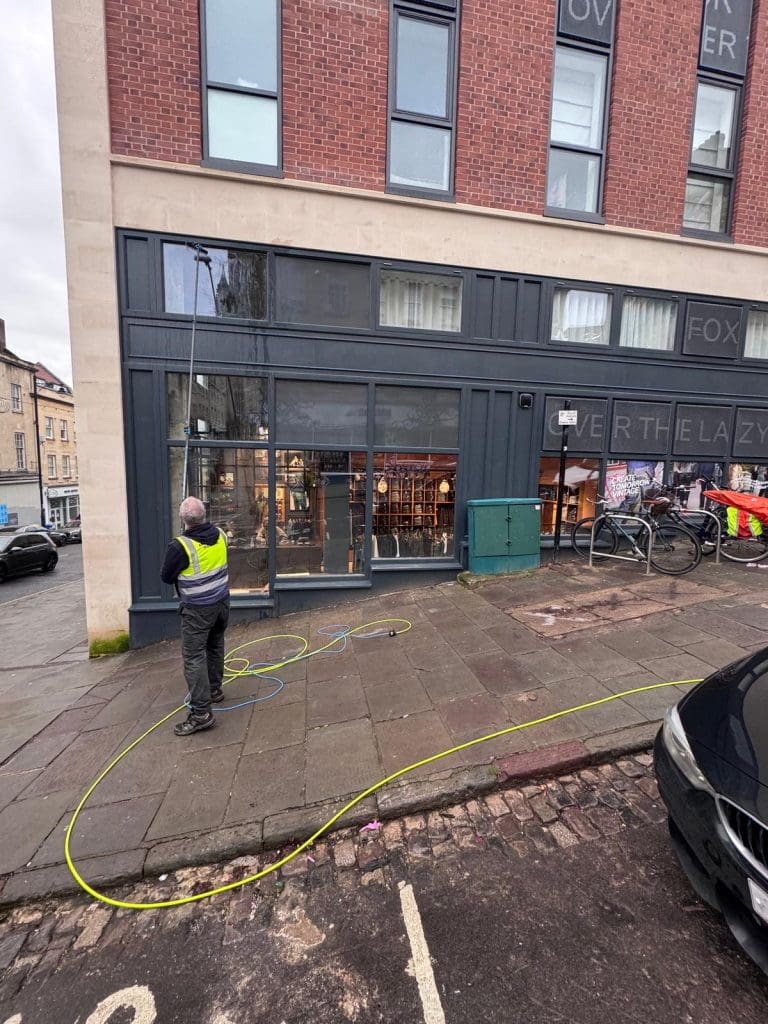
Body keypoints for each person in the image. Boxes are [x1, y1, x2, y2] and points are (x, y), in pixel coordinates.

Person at [161, 496, 230, 736]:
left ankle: (201, 713)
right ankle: (213, 690)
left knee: (193, 657)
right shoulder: (221, 534)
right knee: (215, 645)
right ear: (204, 515)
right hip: (221, 603)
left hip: (198, 610)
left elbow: (166, 577)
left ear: (183, 519)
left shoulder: (180, 546)